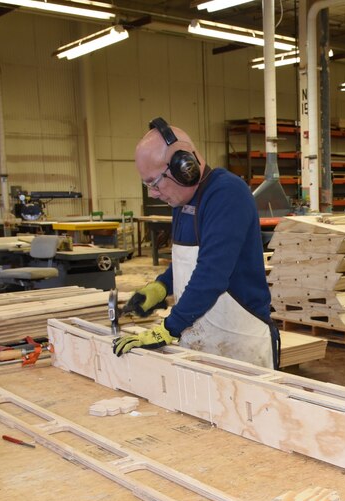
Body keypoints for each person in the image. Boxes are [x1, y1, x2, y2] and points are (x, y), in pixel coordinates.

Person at [113, 117, 278, 369]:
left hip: (240, 342)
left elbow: (211, 274)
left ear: (184, 168)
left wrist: (168, 328)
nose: (153, 194)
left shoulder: (227, 194)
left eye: (154, 183)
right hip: (204, 341)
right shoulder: (183, 201)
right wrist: (160, 287)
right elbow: (188, 260)